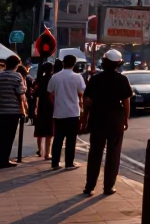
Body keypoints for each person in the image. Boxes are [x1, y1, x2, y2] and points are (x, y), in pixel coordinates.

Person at [82, 49, 132, 196]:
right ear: (118, 64)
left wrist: (84, 119)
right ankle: (108, 187)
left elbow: (87, 102)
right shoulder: (122, 80)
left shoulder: (95, 79)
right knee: (113, 153)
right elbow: (126, 101)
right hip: (115, 119)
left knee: (95, 153)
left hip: (97, 118)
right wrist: (125, 119)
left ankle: (89, 186)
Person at [48, 54, 85, 170]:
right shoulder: (77, 77)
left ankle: (55, 163)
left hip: (59, 112)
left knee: (58, 138)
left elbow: (50, 94)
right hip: (73, 112)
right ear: (74, 64)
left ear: (63, 63)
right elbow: (82, 92)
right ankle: (69, 163)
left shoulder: (55, 77)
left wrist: (56, 104)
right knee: (71, 139)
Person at [0, 55, 26, 168]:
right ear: (17, 65)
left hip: (1, 110)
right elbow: (20, 94)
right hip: (13, 111)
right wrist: (23, 111)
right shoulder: (17, 76)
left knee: (1, 136)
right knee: (9, 137)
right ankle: (5, 160)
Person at [31, 61, 55, 160]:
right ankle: (47, 153)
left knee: (40, 129)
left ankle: (40, 151)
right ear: (52, 69)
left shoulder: (38, 80)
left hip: (40, 105)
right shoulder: (53, 79)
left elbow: (34, 94)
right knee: (49, 130)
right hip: (50, 105)